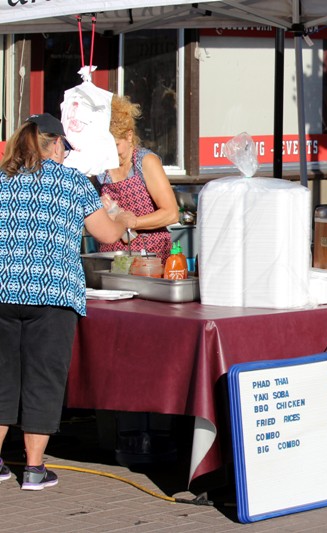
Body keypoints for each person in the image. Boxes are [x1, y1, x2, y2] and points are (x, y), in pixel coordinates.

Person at [0, 113, 132, 490]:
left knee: (2, 378)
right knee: (43, 378)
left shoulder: (1, 181)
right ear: (56, 144)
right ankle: (34, 470)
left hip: (1, 292)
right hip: (52, 294)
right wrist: (121, 219)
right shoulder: (72, 182)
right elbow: (105, 233)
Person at [96, 94, 179, 263]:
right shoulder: (100, 167)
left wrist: (131, 222)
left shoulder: (145, 162)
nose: (111, 152)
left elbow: (171, 214)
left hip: (150, 256)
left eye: (116, 145)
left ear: (129, 136)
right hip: (112, 256)